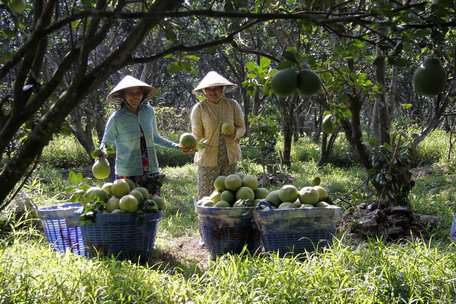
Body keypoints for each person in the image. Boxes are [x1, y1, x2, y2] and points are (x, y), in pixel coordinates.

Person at [101, 75, 189, 195]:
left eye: (138, 92)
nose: (135, 96)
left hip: (150, 170)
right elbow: (107, 141)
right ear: (123, 96)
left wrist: (176, 146)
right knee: (129, 208)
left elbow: (155, 137)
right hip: (128, 172)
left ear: (143, 94)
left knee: (153, 207)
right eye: (130, 92)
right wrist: (102, 154)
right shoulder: (117, 118)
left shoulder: (149, 111)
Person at [191, 71, 246, 200]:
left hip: (229, 156)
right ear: (204, 91)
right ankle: (206, 219)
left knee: (229, 195)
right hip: (208, 157)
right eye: (209, 89)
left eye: (216, 88)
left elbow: (242, 127)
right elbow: (197, 135)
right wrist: (191, 144)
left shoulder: (232, 105)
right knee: (207, 196)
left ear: (223, 89)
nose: (212, 92)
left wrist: (235, 134)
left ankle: (228, 219)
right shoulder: (199, 108)